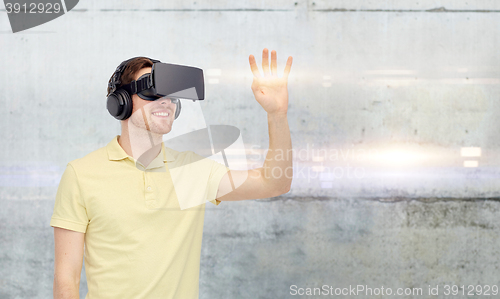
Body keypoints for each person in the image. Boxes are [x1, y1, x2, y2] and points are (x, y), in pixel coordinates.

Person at [51, 48, 293, 299]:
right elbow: (66, 279)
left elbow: (274, 183)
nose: (165, 101)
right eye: (151, 91)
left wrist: (277, 115)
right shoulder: (81, 174)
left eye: (170, 95)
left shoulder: (192, 171)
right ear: (120, 102)